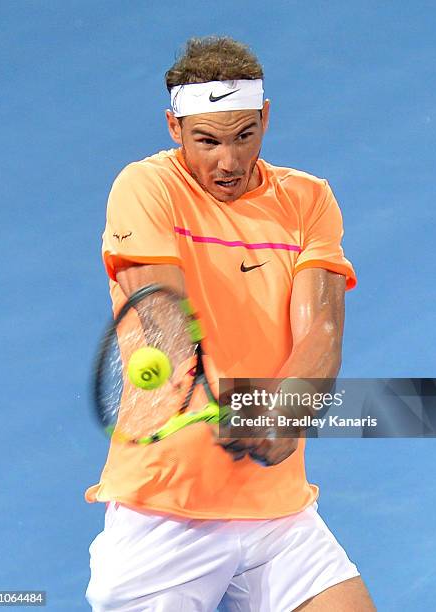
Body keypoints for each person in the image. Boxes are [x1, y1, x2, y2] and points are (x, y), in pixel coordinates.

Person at [86, 36, 376, 611]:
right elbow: (167, 318)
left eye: (245, 135)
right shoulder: (145, 188)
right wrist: (240, 406)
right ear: (174, 128)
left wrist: (288, 409)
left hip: (278, 513)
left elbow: (320, 333)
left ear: (266, 117)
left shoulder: (308, 199)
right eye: (208, 140)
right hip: (166, 510)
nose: (229, 161)